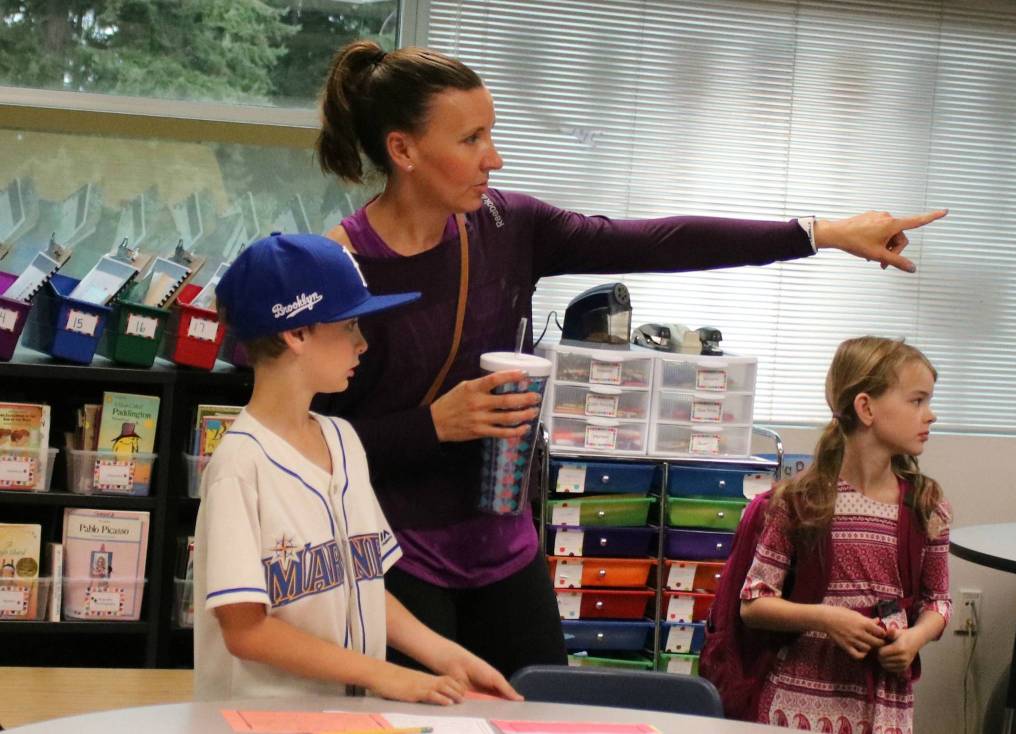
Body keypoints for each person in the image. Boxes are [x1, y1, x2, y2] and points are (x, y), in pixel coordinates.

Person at [312, 39, 949, 677]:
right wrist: (433, 425)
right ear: (404, 150)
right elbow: (302, 446)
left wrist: (821, 233)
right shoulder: (338, 268)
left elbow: (658, 241)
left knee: (545, 720)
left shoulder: (509, 228)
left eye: (492, 134)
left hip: (505, 546)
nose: (494, 159)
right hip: (393, 554)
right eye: (472, 139)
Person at [192, 232, 521, 703]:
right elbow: (246, 631)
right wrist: (382, 674)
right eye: (349, 326)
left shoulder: (343, 441)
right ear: (297, 332)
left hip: (341, 717)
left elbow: (361, 584)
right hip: (259, 721)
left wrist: (445, 654)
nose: (362, 343)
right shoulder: (239, 466)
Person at [739, 336, 951, 731]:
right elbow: (753, 602)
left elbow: (938, 602)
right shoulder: (801, 501)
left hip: (884, 709)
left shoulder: (927, 505)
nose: (931, 414)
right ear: (866, 408)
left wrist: (915, 639)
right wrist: (826, 618)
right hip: (796, 707)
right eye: (917, 400)